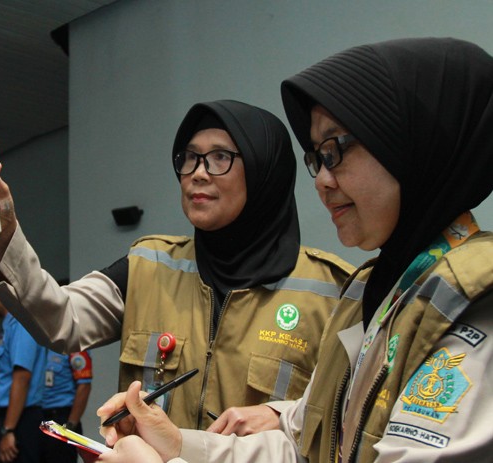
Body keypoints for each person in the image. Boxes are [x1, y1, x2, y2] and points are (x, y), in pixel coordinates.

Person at [93, 37, 493, 462]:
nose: (321, 180)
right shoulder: (375, 291)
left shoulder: (471, 305)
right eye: (316, 158)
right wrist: (179, 445)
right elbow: (303, 445)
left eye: (335, 151)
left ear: (414, 143)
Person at [0, 100, 354, 430]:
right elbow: (59, 318)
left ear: (265, 171)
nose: (197, 173)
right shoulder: (149, 266)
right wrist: (3, 235)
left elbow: (349, 419)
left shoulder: (334, 291)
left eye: (219, 158)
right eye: (190, 157)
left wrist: (282, 417)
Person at [0, 294, 48, 463]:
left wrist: (8, 430)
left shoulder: (21, 324)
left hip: (18, 419)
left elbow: (22, 377)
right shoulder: (9, 326)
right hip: (8, 417)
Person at [40, 350, 94, 463]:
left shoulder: (74, 347)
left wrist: (70, 426)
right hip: (39, 416)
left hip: (61, 419)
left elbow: (84, 385)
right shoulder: (40, 346)